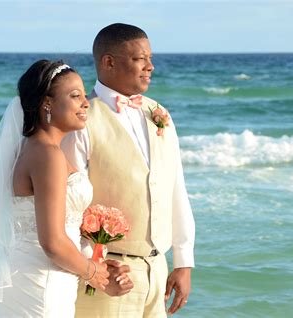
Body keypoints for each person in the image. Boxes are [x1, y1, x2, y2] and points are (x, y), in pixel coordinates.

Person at [0, 60, 115, 317]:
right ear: (47, 103)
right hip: (40, 285)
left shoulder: (31, 149)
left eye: (84, 95)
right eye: (75, 96)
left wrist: (91, 253)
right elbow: (52, 241)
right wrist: (92, 272)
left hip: (31, 277)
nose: (86, 102)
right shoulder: (48, 155)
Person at [61, 23, 195, 317]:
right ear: (109, 62)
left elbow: (175, 188)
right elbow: (67, 206)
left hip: (156, 272)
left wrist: (183, 261)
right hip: (107, 273)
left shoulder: (159, 113)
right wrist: (91, 264)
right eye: (140, 59)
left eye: (150, 58)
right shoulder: (82, 119)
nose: (150, 66)